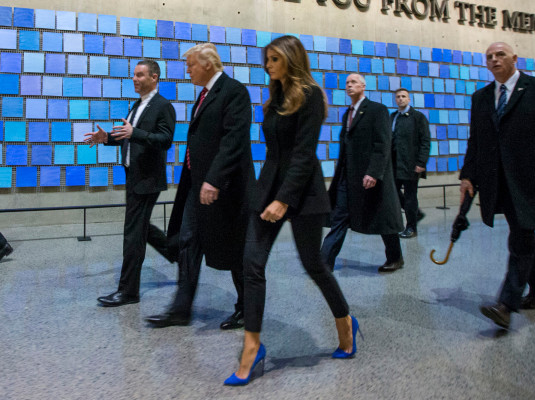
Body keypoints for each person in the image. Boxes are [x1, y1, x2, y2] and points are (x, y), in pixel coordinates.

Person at [224, 35, 358, 386]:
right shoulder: (274, 99)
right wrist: (267, 194)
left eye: (273, 60)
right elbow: (275, 154)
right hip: (267, 188)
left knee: (313, 263)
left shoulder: (311, 95)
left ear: (290, 59)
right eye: (266, 60)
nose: (267, 65)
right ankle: (252, 348)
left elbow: (303, 154)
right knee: (251, 263)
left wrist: (283, 199)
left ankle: (345, 321)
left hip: (302, 194)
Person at [460, 42, 535, 329]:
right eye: (489, 57)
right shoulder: (481, 97)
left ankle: (506, 304)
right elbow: (475, 141)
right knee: (522, 232)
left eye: (500, 54)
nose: (494, 59)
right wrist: (468, 176)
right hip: (499, 181)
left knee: (521, 238)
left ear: (515, 58)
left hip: (531, 181)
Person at [144, 43, 254, 331]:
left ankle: (246, 308)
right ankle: (180, 309)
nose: (187, 70)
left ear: (207, 64)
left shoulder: (234, 91)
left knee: (235, 249)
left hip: (226, 188)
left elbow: (234, 140)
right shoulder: (204, 96)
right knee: (188, 243)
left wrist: (215, 179)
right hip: (197, 185)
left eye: (191, 65)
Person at [85, 59, 176, 307]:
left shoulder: (162, 106)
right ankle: (175, 251)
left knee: (132, 233)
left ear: (154, 77)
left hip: (147, 179)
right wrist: (106, 138)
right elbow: (128, 135)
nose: (134, 79)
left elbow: (165, 139)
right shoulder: (137, 105)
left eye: (140, 75)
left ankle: (128, 291)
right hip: (133, 176)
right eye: (133, 75)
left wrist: (135, 133)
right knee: (140, 226)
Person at [320, 73, 405, 273]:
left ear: (363, 86)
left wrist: (374, 172)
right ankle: (324, 263)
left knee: (383, 217)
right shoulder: (347, 114)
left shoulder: (377, 110)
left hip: (370, 175)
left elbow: (383, 143)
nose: (349, 86)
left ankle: (395, 257)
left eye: (353, 82)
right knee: (339, 216)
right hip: (347, 176)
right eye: (347, 83)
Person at [390, 88, 430, 239]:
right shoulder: (393, 117)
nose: (400, 99)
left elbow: (425, 141)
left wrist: (421, 162)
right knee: (393, 192)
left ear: (409, 99)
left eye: (403, 96)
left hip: (412, 165)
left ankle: (411, 227)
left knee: (410, 196)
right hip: (395, 165)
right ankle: (416, 213)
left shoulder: (418, 117)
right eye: (398, 97)